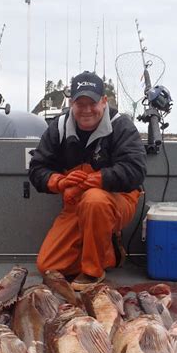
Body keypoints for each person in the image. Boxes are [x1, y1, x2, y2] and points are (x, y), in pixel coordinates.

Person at [28, 71, 147, 291]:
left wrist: (98, 178)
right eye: (79, 103)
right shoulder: (58, 127)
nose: (86, 110)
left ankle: (93, 272)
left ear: (104, 101)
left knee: (94, 200)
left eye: (92, 103)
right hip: (76, 202)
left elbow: (136, 170)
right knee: (48, 267)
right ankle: (108, 251)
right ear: (71, 103)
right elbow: (37, 169)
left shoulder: (121, 126)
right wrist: (59, 182)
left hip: (116, 201)